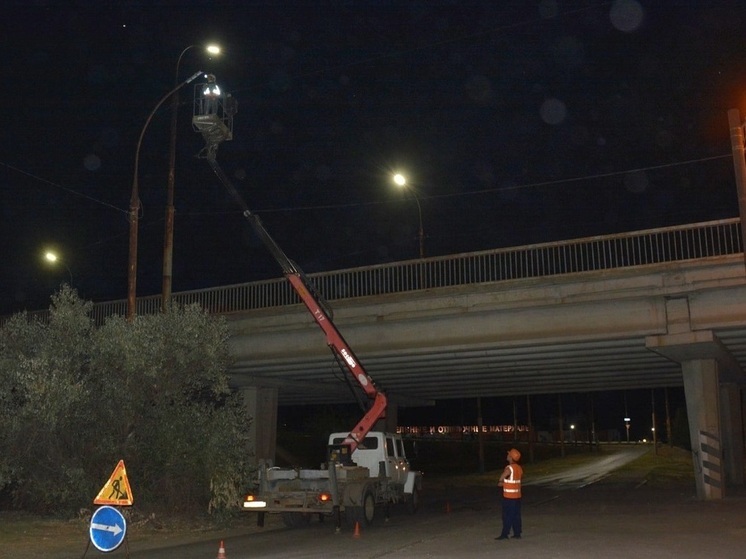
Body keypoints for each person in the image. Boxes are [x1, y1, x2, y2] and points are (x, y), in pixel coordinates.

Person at [496, 448, 523, 540]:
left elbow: (504, 476)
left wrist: (500, 482)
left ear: (511, 457)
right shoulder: (519, 468)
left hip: (509, 497)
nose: (507, 456)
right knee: (516, 515)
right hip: (517, 496)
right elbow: (514, 481)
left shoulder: (509, 468)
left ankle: (505, 534)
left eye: (509, 455)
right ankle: (517, 533)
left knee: (507, 516)